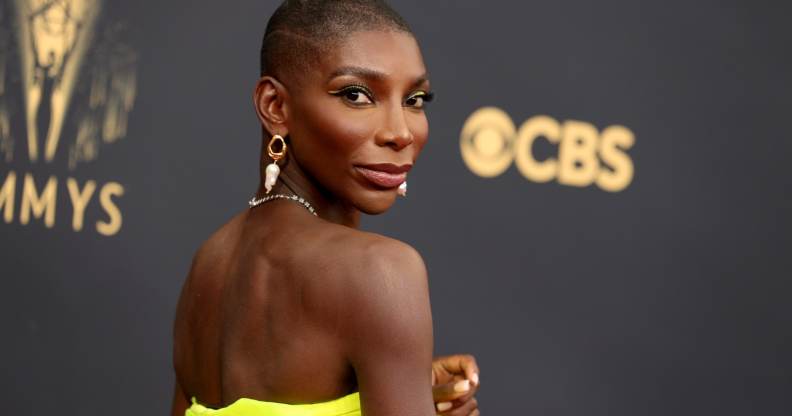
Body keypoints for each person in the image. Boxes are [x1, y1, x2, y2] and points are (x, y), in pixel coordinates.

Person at [171, 1, 480, 415]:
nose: (401, 132)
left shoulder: (209, 263)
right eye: (357, 95)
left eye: (415, 99)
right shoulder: (381, 272)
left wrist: (400, 380)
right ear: (275, 106)